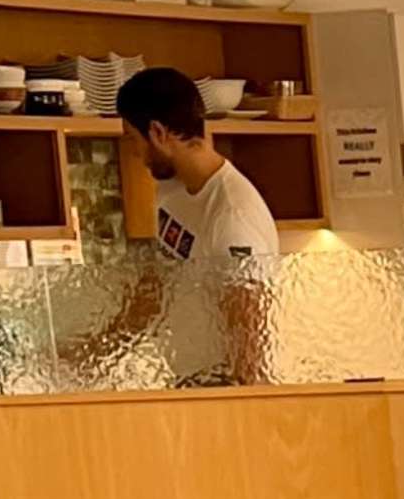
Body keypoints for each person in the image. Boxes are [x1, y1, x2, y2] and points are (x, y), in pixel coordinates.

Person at [72, 67, 280, 387]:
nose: (134, 152)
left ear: (158, 133)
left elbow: (249, 338)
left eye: (133, 138)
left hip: (223, 388)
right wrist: (91, 354)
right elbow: (155, 291)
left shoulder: (232, 216)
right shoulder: (171, 189)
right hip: (187, 382)